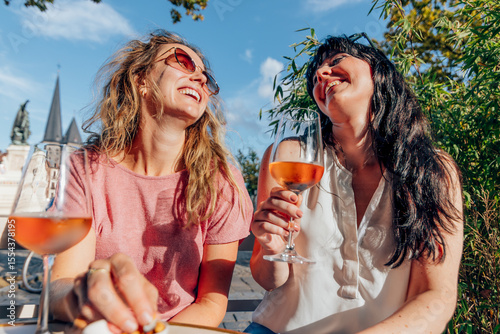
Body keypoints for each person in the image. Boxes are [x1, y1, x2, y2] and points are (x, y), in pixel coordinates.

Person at [246, 35, 463, 334]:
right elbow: (268, 279)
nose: (321, 74)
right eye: (316, 75)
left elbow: (437, 297)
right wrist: (272, 247)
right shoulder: (290, 156)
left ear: (377, 73)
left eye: (336, 62)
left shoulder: (432, 171)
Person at [49, 29, 253, 333]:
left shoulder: (222, 180)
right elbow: (61, 285)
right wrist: (81, 297)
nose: (200, 78)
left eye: (206, 77)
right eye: (183, 62)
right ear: (141, 80)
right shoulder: (86, 169)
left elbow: (212, 302)